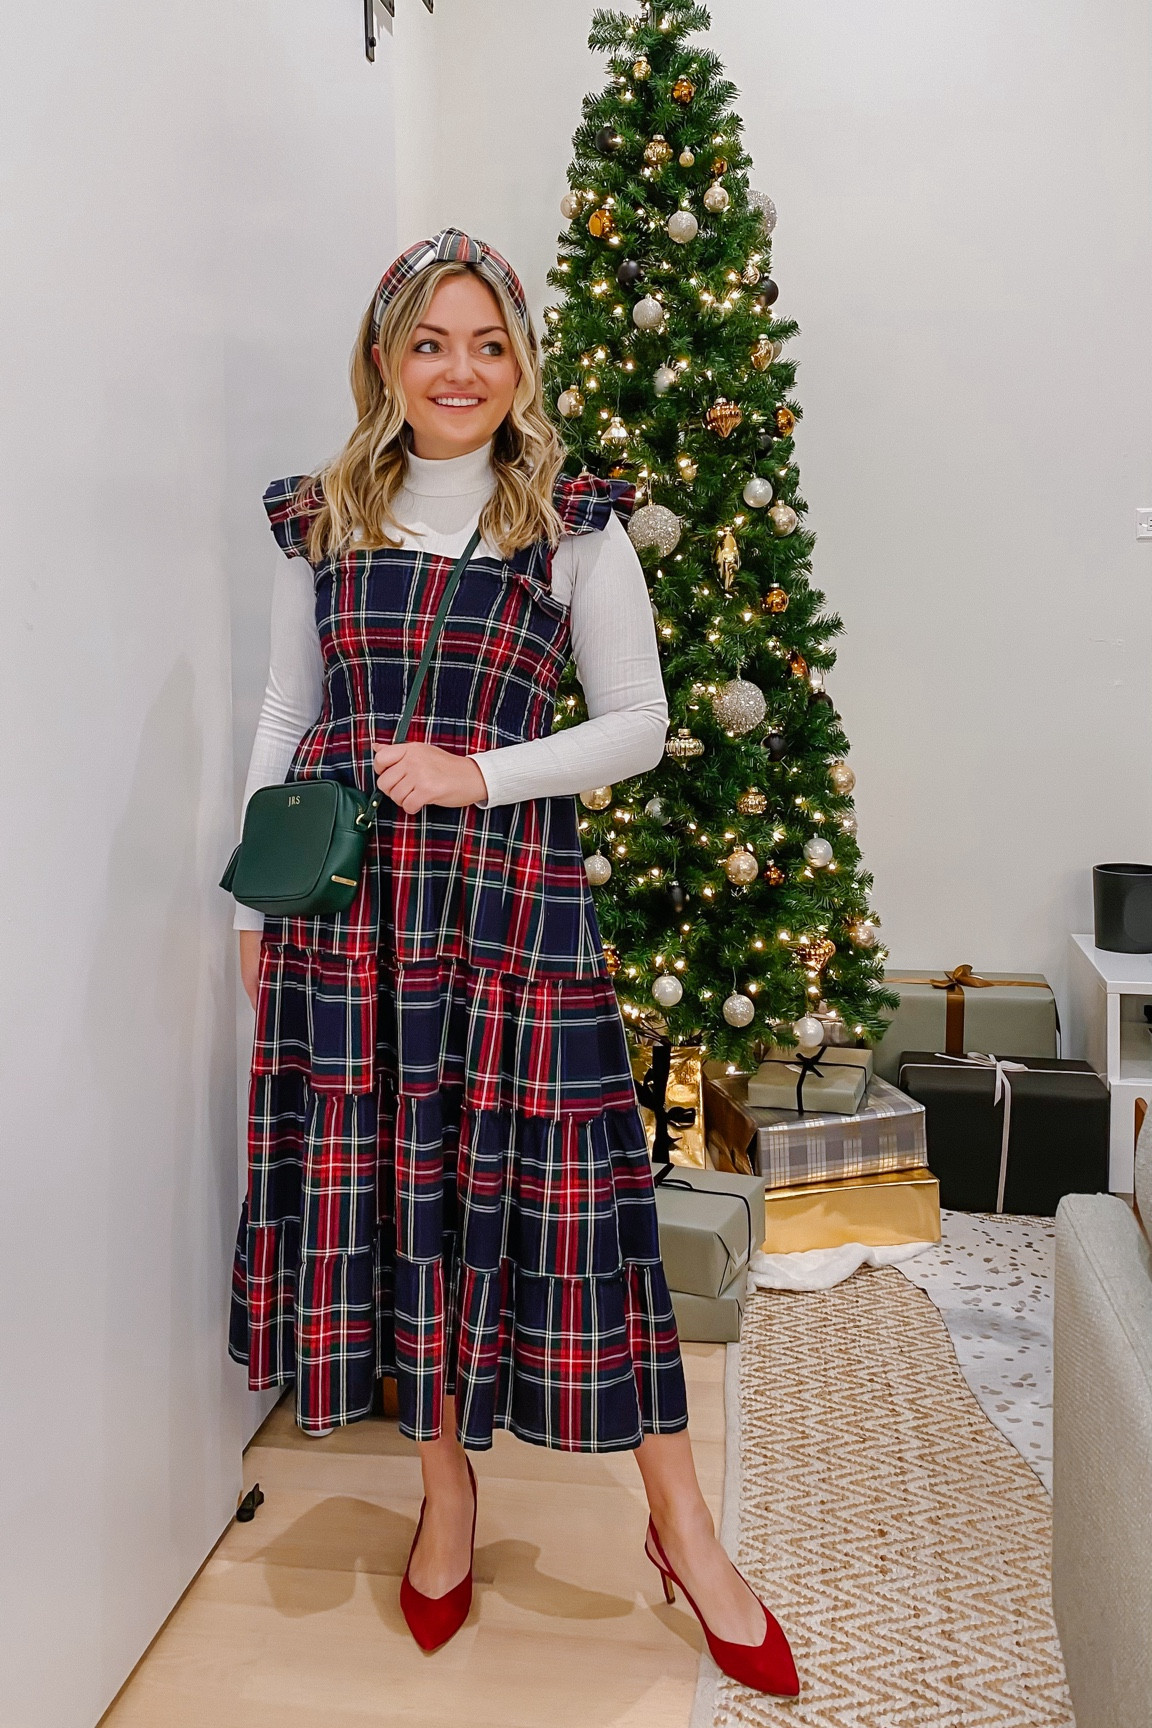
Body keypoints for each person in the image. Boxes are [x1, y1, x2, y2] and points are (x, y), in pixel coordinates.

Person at [226, 227, 798, 1697]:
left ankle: (685, 1525)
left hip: (512, 909)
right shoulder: (325, 521)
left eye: (486, 343)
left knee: (581, 1209)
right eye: (429, 342)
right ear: (385, 361)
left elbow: (638, 721)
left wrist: (476, 775)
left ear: (519, 359)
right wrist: (248, 910)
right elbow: (289, 722)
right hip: (348, 929)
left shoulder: (573, 523)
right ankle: (448, 1495)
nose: (459, 370)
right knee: (400, 1192)